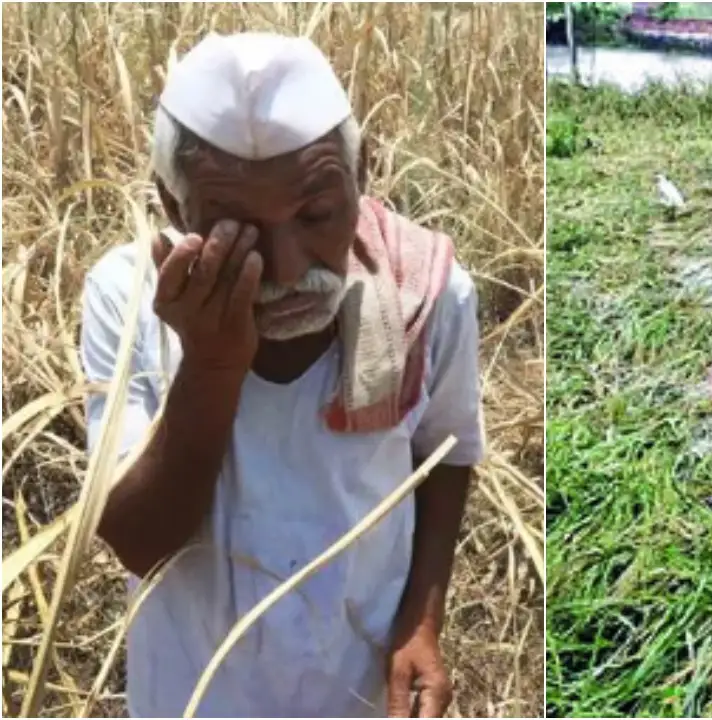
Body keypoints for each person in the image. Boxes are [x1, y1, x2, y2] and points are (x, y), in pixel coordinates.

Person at [78, 32, 484, 717]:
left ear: (364, 170)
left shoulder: (427, 297)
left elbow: (445, 455)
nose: (290, 267)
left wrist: (420, 624)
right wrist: (211, 362)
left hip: (353, 688)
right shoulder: (129, 299)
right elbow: (137, 543)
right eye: (238, 230)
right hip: (196, 693)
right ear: (174, 208)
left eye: (318, 215)